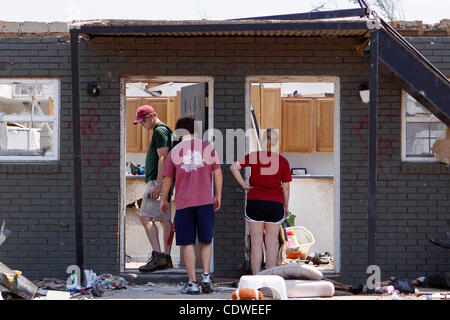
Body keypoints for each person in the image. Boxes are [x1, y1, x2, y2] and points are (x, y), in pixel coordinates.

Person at [160, 117, 222, 295]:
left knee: (187, 242)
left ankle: (192, 283)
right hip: (205, 201)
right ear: (195, 130)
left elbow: (168, 180)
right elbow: (218, 174)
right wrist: (217, 195)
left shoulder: (175, 151)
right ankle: (206, 277)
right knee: (206, 240)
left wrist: (164, 200)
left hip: (183, 203)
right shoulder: (208, 148)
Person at [229, 129, 292, 275]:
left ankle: (256, 276)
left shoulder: (254, 156)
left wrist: (244, 186)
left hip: (255, 202)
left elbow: (233, 167)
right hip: (275, 204)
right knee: (271, 243)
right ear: (277, 142)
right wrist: (286, 206)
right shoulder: (283, 161)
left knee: (256, 243)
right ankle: (270, 277)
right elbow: (286, 187)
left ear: (263, 141)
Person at [134, 105, 174, 272]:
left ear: (152, 116)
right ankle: (166, 258)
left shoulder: (160, 131)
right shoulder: (163, 131)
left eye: (143, 121)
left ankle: (158, 257)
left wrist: (158, 184)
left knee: (145, 217)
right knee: (164, 220)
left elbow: (163, 156)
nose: (142, 125)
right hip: (165, 181)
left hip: (158, 182)